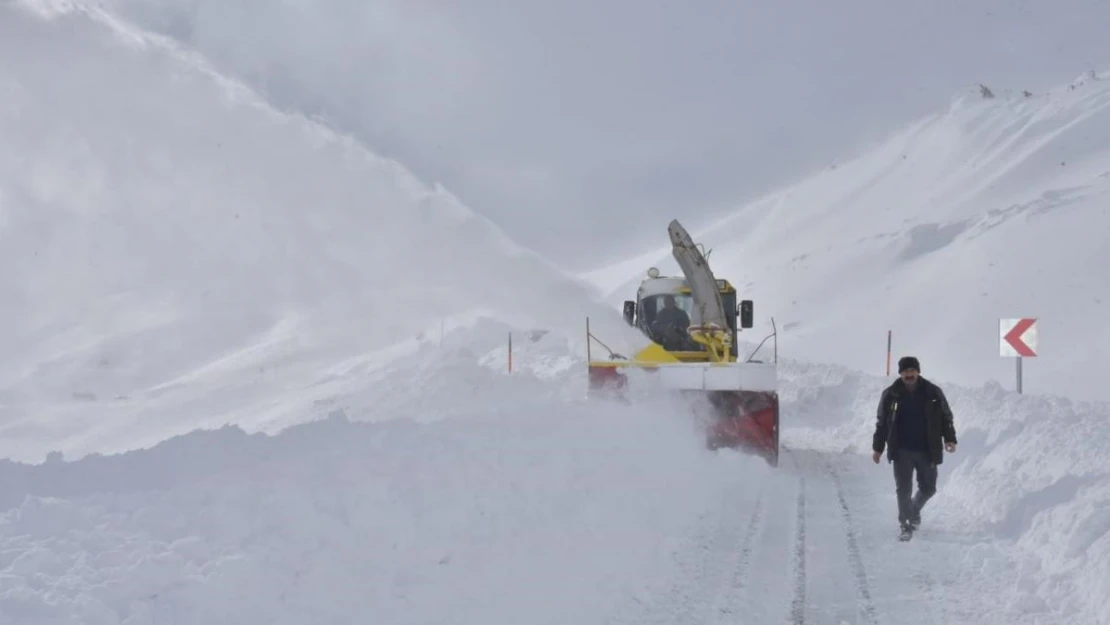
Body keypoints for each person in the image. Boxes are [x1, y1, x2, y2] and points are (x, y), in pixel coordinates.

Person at [871, 356, 958, 536]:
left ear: (918, 371)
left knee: (929, 488)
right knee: (903, 489)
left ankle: (913, 510)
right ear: (900, 373)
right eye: (905, 371)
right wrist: (878, 448)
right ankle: (905, 524)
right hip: (901, 450)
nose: (909, 374)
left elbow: (946, 418)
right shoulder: (891, 394)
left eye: (912, 370)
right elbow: (882, 423)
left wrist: (950, 439)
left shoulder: (933, 393)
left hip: (927, 449)